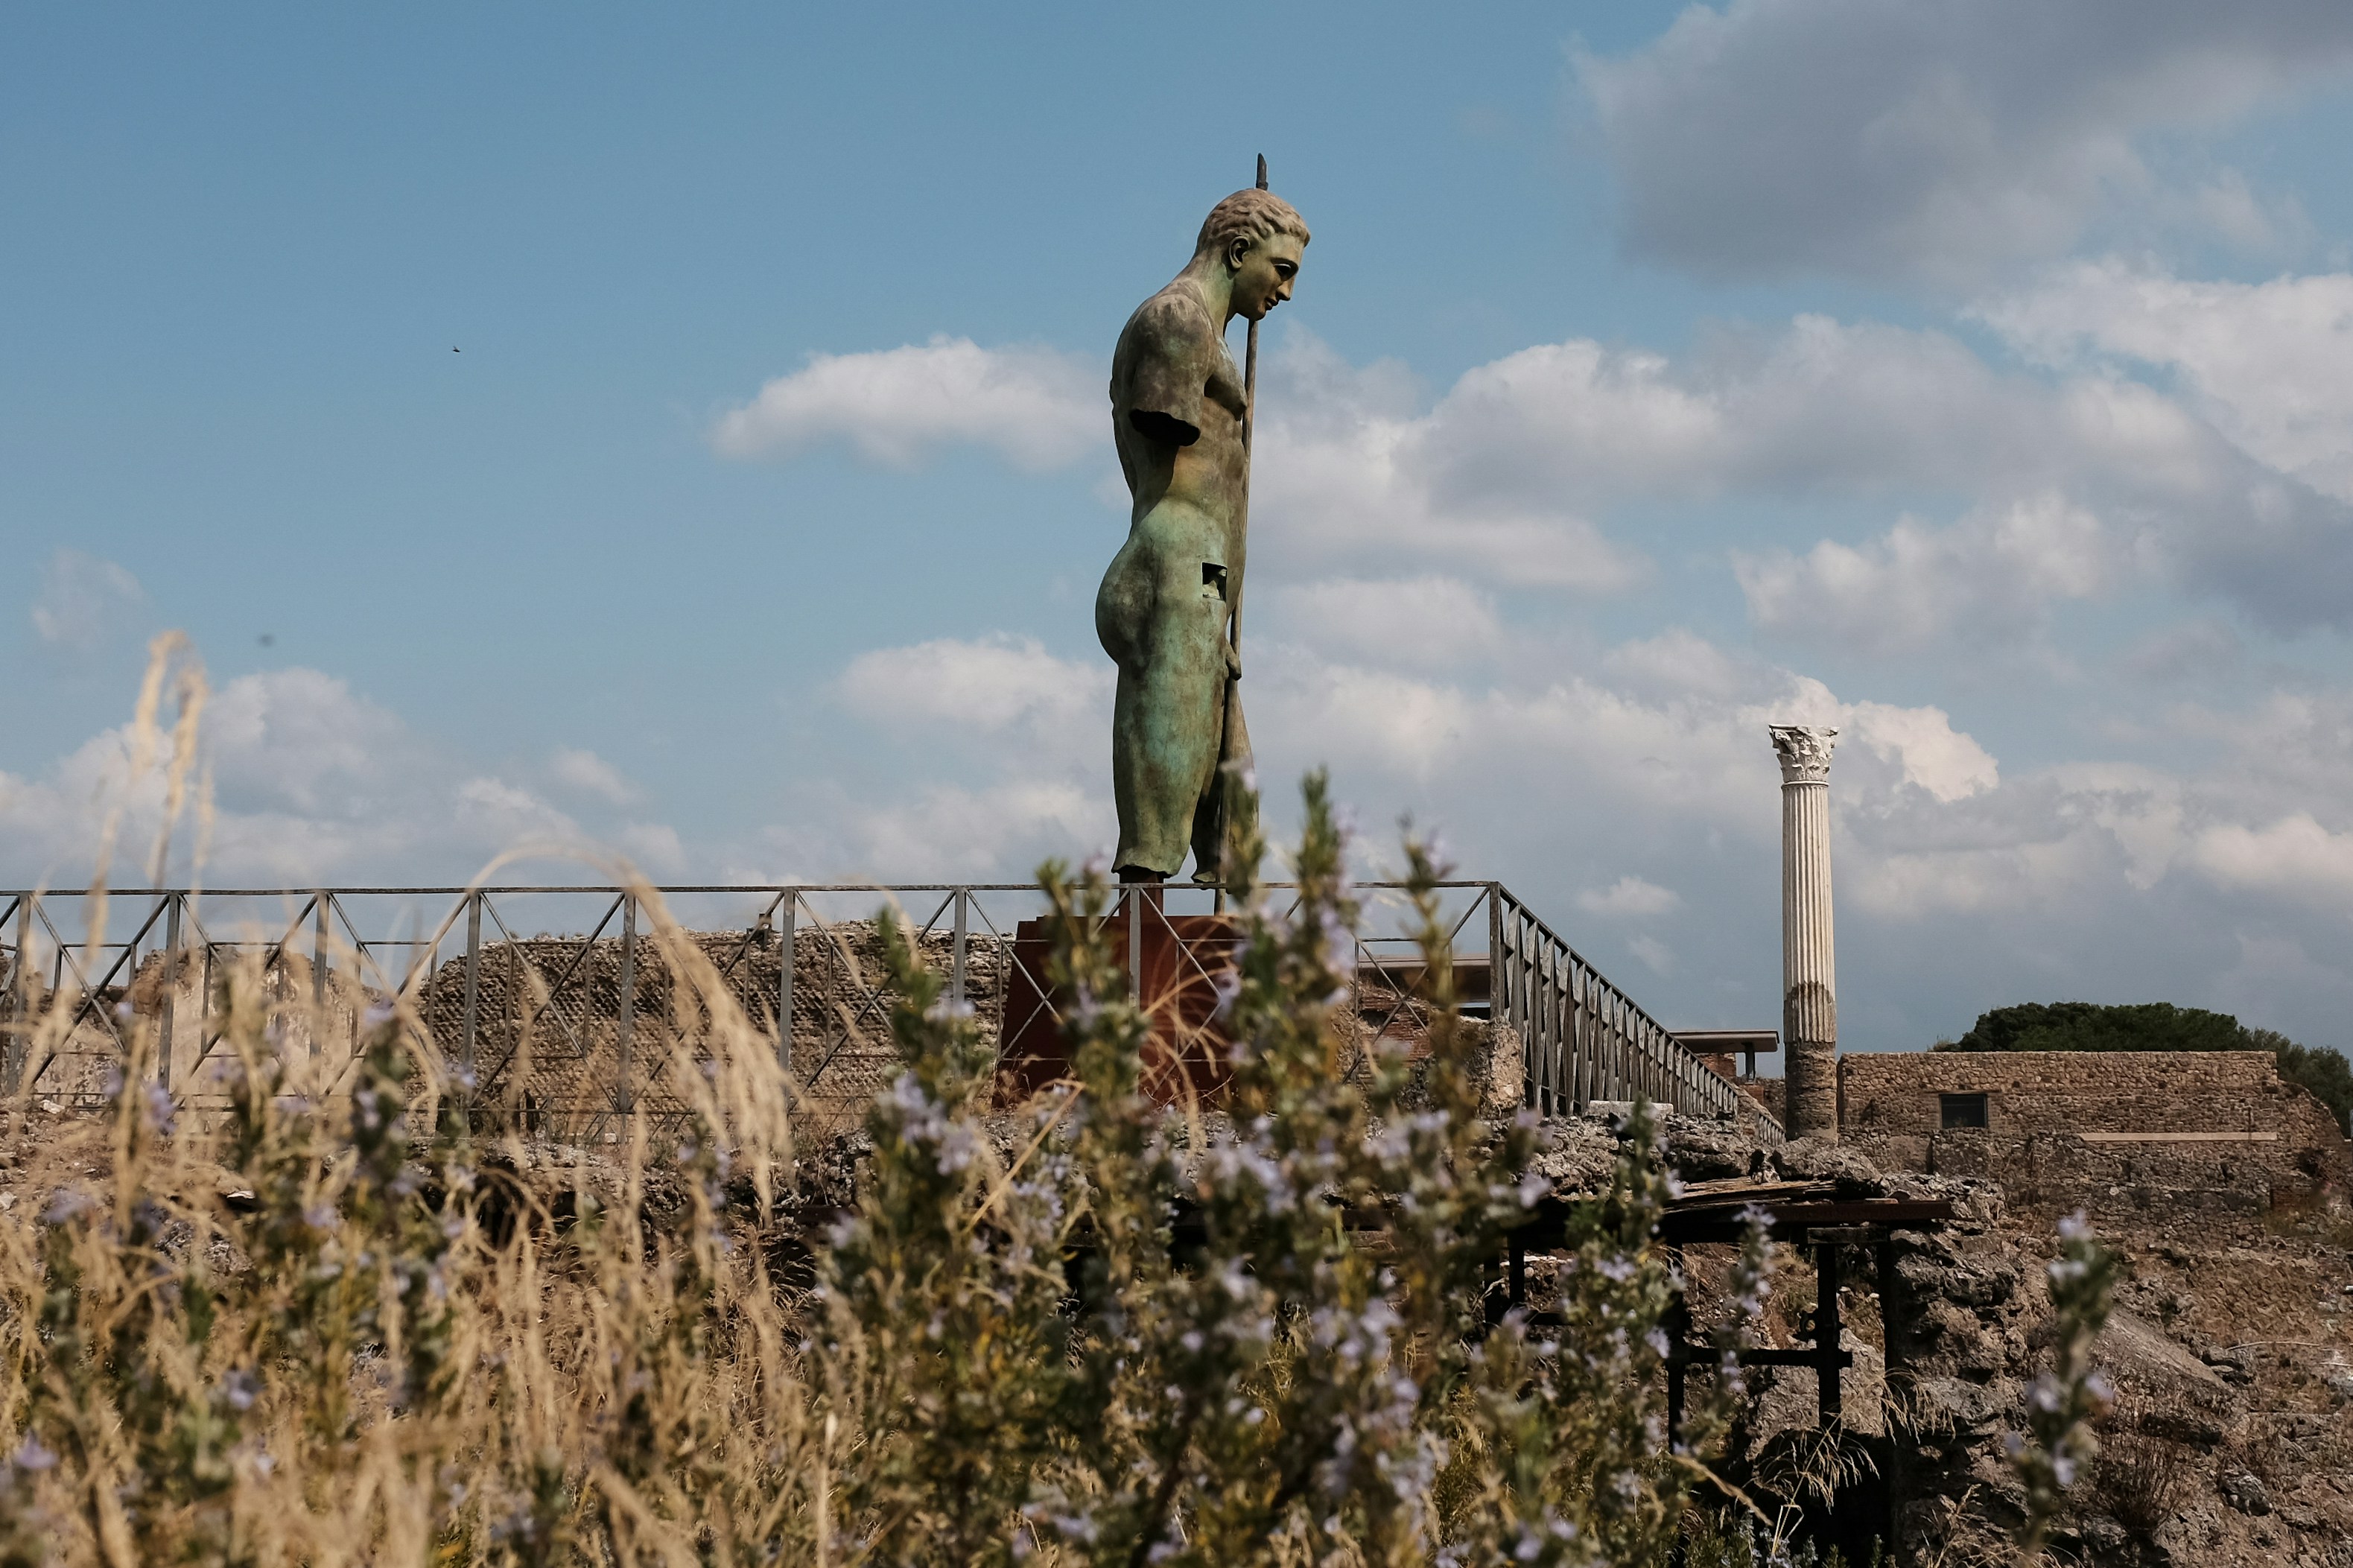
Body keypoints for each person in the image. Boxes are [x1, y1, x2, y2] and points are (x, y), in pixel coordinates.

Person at [1096, 187, 1307, 883]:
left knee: (1225, 759)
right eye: (1281, 269)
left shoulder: (1203, 332)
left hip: (1203, 572)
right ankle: (1140, 906)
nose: (1285, 290)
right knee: (1174, 745)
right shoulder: (1176, 321)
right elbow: (1171, 454)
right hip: (1177, 560)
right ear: (1238, 251)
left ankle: (1223, 882)